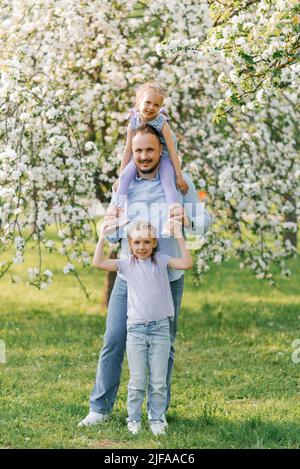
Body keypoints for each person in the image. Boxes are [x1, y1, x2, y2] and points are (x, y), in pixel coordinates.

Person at [78, 124, 212, 428]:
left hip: (168, 279)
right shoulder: (123, 186)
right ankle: (99, 409)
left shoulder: (180, 183)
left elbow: (206, 221)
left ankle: (157, 413)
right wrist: (111, 230)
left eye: (150, 149)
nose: (143, 156)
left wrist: (188, 219)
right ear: (132, 152)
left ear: (160, 150)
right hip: (129, 279)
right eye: (138, 150)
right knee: (113, 339)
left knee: (165, 344)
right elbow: (114, 238)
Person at [92, 219, 193, 435]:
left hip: (160, 331)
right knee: (137, 380)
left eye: (147, 242)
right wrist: (102, 236)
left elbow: (186, 264)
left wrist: (178, 235)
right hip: (136, 331)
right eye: (136, 242)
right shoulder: (127, 264)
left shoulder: (162, 261)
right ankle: (134, 419)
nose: (142, 247)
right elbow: (98, 263)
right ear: (129, 244)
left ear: (155, 243)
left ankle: (156, 419)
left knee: (158, 381)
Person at [114, 82, 188, 233]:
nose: (151, 107)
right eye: (147, 102)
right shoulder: (133, 122)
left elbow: (173, 151)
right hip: (141, 156)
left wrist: (179, 176)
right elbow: (128, 150)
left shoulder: (161, 123)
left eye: (156, 105)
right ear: (139, 101)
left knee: (167, 181)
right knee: (125, 178)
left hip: (164, 156)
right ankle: (118, 212)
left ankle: (173, 219)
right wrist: (121, 175)